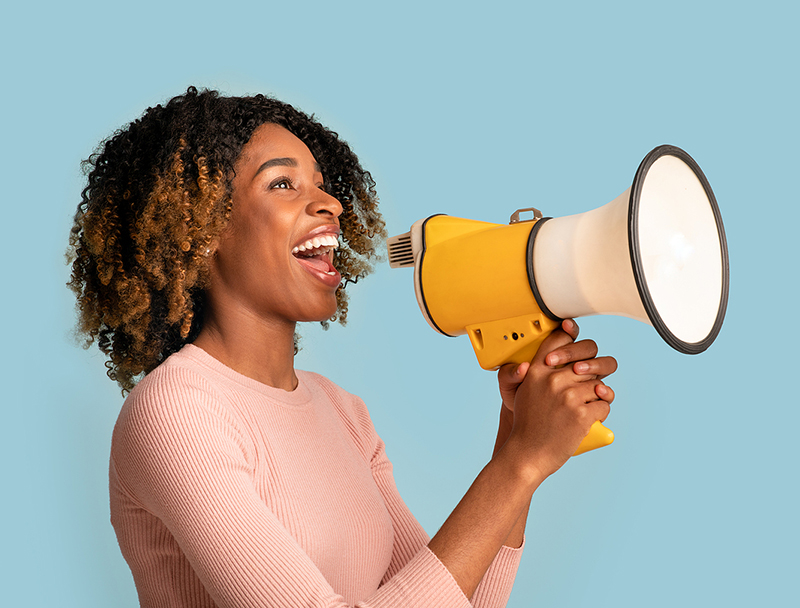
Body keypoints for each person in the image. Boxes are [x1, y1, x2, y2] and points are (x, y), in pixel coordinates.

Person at [67, 86, 617, 608]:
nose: (328, 202)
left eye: (323, 184)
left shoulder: (342, 410)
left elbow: (461, 597)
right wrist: (519, 467)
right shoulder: (175, 413)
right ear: (201, 228)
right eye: (283, 184)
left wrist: (517, 437)